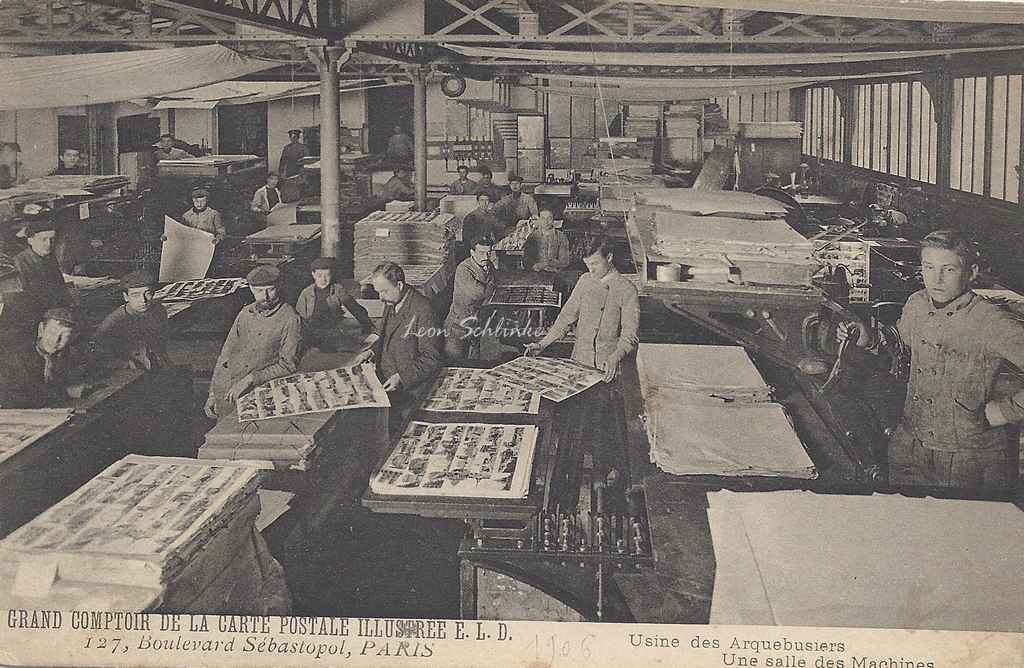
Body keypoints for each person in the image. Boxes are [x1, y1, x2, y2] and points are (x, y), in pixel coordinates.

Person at [837, 229, 1024, 495]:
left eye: (948, 270)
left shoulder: (989, 321)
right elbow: (898, 347)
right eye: (929, 267)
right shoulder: (917, 304)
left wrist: (1007, 410)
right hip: (910, 444)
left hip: (966, 457)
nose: (936, 279)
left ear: (971, 272)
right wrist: (867, 339)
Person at [526, 237, 639, 383]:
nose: (591, 270)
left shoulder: (627, 289)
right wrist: (542, 344)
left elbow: (630, 336)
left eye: (595, 264)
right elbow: (565, 319)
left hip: (607, 367)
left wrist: (615, 357)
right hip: (579, 362)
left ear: (609, 257)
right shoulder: (585, 280)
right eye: (587, 264)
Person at [205, 265, 303, 419]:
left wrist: (250, 379)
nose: (265, 296)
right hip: (226, 391)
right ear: (250, 289)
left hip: (257, 394)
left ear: (279, 286)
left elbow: (288, 365)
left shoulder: (290, 318)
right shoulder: (245, 314)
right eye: (258, 291)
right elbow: (225, 355)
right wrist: (212, 393)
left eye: (270, 289)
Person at [354, 262, 442, 418]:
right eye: (378, 292)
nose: (380, 298)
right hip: (386, 381)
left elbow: (431, 358)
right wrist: (371, 352)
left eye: (384, 291)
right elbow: (388, 336)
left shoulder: (423, 309)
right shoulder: (391, 300)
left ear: (399, 285)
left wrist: (401, 377)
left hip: (408, 389)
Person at [0, 308, 89, 408]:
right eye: (52, 332)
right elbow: (12, 398)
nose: (56, 340)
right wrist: (66, 392)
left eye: (65, 336)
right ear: (41, 330)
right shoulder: (16, 358)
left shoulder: (68, 357)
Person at [90, 270, 171, 371]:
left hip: (155, 364)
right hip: (128, 370)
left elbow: (161, 345)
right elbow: (97, 356)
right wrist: (125, 364)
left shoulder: (159, 311)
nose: (143, 300)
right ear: (126, 297)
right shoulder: (113, 322)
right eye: (135, 295)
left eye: (147, 293)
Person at [296, 257, 373, 353]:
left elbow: (355, 308)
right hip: (311, 333)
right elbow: (298, 320)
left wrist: (367, 326)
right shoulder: (306, 293)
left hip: (332, 333)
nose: (323, 279)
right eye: (319, 275)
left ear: (331, 274)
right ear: (313, 274)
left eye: (327, 275)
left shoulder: (337, 290)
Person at [444, 234, 496, 361]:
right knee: (455, 362)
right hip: (458, 326)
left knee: (474, 362)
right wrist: (490, 287)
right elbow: (479, 293)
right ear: (472, 252)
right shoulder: (464, 269)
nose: (486, 257)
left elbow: (492, 286)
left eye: (488, 253)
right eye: (482, 252)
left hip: (476, 323)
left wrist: (489, 288)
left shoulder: (488, 266)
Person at [14, 212, 73, 317]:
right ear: (30, 240)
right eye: (43, 239)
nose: (49, 244)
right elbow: (24, 298)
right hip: (36, 314)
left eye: (52, 239)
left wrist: (68, 304)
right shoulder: (19, 262)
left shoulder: (50, 257)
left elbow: (59, 285)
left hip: (55, 311)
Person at [524, 209, 571, 273]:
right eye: (543, 218)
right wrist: (534, 266)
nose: (546, 221)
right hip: (535, 273)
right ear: (539, 220)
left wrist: (547, 264)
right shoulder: (532, 236)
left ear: (553, 220)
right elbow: (527, 259)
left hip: (555, 273)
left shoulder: (561, 236)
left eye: (549, 218)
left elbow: (565, 261)